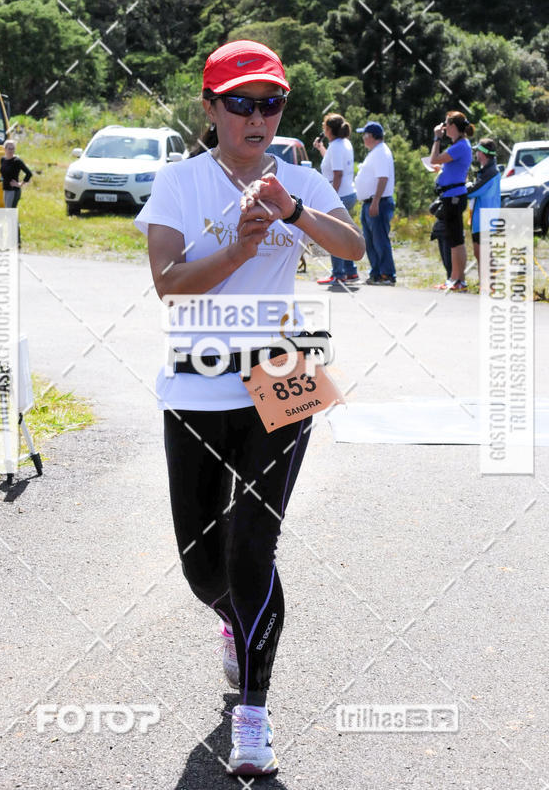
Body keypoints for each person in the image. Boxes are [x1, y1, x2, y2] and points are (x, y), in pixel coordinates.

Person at [134, 39, 364, 777]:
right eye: (241, 103)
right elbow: (169, 281)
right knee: (205, 571)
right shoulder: (179, 181)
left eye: (271, 103)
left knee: (250, 549)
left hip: (285, 369)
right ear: (210, 108)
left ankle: (254, 715)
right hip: (198, 377)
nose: (257, 117)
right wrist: (237, 247)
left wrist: (292, 209)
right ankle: (234, 622)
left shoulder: (296, 178)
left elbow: (352, 249)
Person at [429, 110, 474, 292]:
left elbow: (433, 159)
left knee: (455, 240)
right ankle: (457, 279)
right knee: (455, 239)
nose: (444, 127)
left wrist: (437, 138)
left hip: (453, 197)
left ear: (454, 127)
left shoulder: (460, 146)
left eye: (447, 124)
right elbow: (442, 164)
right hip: (452, 196)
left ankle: (456, 280)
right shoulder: (460, 145)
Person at [313, 113, 358, 285]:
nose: (323, 130)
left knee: (335, 235)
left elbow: (337, 174)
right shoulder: (342, 144)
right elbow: (333, 163)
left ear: (329, 129)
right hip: (348, 193)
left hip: (340, 194)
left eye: (324, 127)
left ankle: (338, 274)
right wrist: (321, 148)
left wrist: (330, 197)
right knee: (344, 233)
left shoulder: (336, 146)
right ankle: (350, 271)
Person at [353, 120, 396, 285]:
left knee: (380, 240)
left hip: (378, 202)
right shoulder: (376, 152)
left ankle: (387, 274)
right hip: (370, 202)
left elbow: (383, 178)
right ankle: (376, 273)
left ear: (371, 136)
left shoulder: (381, 152)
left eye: (364, 135)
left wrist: (376, 201)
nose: (363, 138)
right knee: (371, 241)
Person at [467, 137, 501, 275]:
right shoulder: (488, 170)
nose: (475, 154)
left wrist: (464, 186)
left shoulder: (490, 173)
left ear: (482, 153)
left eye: (477, 151)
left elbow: (473, 191)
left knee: (484, 255)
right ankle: (486, 286)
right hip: (482, 220)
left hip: (484, 220)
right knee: (480, 253)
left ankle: (490, 287)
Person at [0, 139, 32, 247]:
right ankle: (14, 240)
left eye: (12, 148)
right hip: (5, 190)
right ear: (4, 149)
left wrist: (20, 184)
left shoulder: (17, 161)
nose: (11, 150)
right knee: (9, 215)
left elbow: (29, 173)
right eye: (9, 148)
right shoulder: (2, 160)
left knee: (10, 215)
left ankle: (13, 241)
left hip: (14, 191)